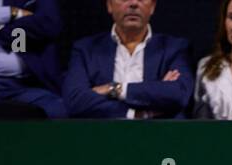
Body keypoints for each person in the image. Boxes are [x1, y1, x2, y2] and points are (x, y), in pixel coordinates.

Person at [63, 0, 193, 119]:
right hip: (101, 136)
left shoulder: (173, 48)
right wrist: (137, 113)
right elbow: (75, 101)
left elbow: (178, 94)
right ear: (109, 5)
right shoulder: (86, 50)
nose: (133, 3)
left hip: (160, 137)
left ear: (152, 7)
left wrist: (114, 89)